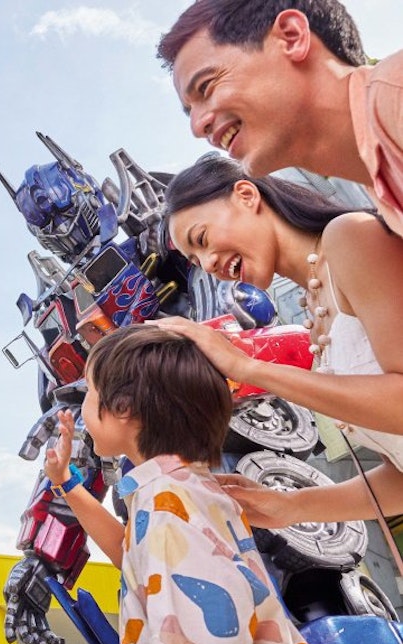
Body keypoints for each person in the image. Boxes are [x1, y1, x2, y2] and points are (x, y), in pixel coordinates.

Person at [157, 154, 403, 530]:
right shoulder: (316, 305)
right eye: (195, 259)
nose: (207, 264)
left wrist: (248, 367)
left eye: (202, 239)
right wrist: (291, 507)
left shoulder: (347, 237)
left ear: (245, 195)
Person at [44, 325, 308, 644]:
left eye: (91, 391)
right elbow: (134, 558)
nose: (82, 407)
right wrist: (66, 482)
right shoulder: (179, 492)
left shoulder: (167, 510)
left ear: (123, 407)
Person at [156, 0, 403, 236]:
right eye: (190, 111)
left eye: (206, 86)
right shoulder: (380, 184)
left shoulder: (394, 97)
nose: (198, 127)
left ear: (291, 37)